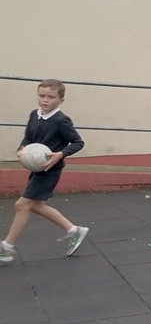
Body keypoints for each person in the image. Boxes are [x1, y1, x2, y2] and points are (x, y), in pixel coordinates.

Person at [1, 79, 89, 265]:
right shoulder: (34, 115)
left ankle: (7, 247)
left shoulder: (61, 121)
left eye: (51, 97)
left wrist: (60, 154)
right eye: (42, 96)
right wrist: (22, 149)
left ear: (61, 99)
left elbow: (78, 143)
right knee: (36, 205)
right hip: (36, 168)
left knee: (21, 205)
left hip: (50, 170)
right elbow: (27, 138)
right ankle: (74, 230)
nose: (45, 100)